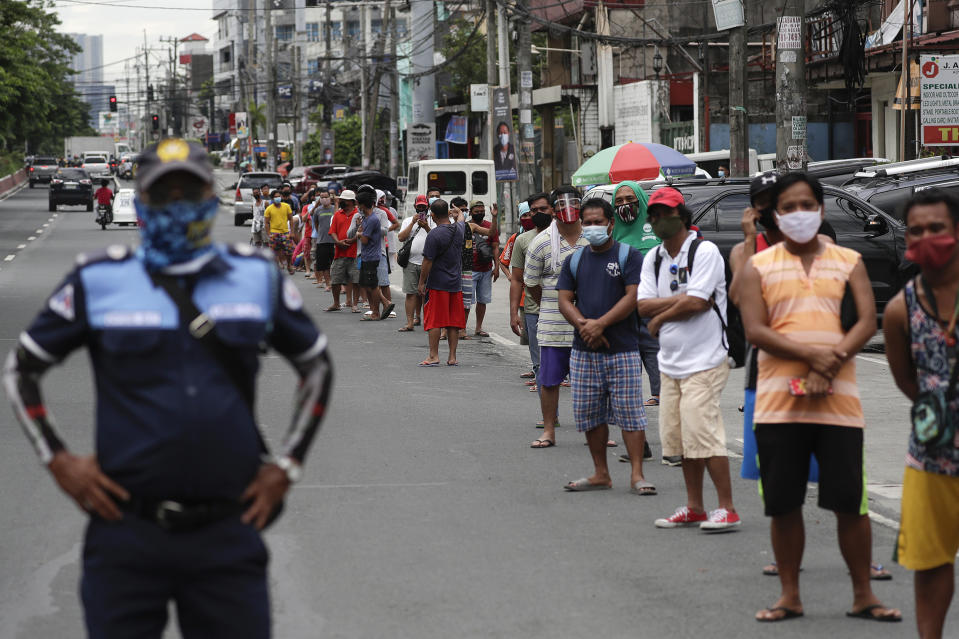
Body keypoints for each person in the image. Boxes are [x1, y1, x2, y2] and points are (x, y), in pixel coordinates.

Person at [2, 138, 333, 638]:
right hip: (124, 534)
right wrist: (58, 460)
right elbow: (21, 368)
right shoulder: (97, 281)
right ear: (142, 200)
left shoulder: (256, 279)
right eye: (164, 194)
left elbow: (317, 366)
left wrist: (287, 466)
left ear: (210, 198)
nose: (177, 205)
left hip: (228, 532)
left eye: (189, 192)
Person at [735, 172, 900, 623]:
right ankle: (790, 595)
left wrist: (836, 357)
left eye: (807, 204)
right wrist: (814, 355)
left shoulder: (849, 260)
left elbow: (867, 320)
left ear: (821, 210)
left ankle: (864, 593)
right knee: (785, 503)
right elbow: (755, 329)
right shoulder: (758, 267)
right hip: (777, 404)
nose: (798, 213)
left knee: (850, 502)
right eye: (788, 207)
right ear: (776, 215)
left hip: (839, 404)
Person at [636, 187, 741, 532]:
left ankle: (726, 508)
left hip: (707, 359)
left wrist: (661, 316)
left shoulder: (704, 251)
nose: (659, 220)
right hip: (671, 362)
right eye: (653, 214)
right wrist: (682, 301)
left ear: (682, 215)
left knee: (704, 432)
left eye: (666, 212)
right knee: (680, 440)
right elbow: (644, 304)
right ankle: (695, 506)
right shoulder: (653, 258)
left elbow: (698, 302)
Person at [883, 189, 959, 638]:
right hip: (932, 459)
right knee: (931, 564)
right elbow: (906, 381)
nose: (927, 237)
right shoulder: (899, 311)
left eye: (937, 229)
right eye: (917, 230)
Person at [557, 198, 653, 494]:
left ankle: (637, 475)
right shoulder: (575, 259)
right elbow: (563, 299)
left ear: (611, 224)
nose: (593, 227)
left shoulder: (629, 255)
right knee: (589, 413)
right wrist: (585, 325)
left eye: (598, 222)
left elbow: (632, 296)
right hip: (584, 351)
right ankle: (601, 473)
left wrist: (601, 324)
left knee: (630, 413)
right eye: (588, 222)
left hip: (623, 349)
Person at [523, 186, 588, 448]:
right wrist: (551, 305)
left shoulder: (594, 237)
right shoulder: (540, 243)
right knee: (549, 380)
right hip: (552, 323)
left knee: (591, 381)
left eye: (573, 203)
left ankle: (595, 431)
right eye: (561, 204)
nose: (567, 209)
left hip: (589, 323)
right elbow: (531, 282)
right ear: (553, 210)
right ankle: (549, 429)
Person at [612, 180, 662, 411]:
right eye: (619, 201)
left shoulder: (657, 229)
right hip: (623, 304)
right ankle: (629, 395)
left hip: (654, 303)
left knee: (652, 349)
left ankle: (659, 392)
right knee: (627, 352)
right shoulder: (612, 234)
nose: (625, 204)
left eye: (630, 199)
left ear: (641, 200)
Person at [418, 198, 466, 366]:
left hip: (437, 283)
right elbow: (461, 219)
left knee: (435, 321)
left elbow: (427, 262)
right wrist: (457, 212)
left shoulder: (434, 234)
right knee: (453, 322)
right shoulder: (460, 229)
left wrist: (421, 282)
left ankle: (433, 355)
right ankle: (452, 357)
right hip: (455, 284)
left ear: (432, 215)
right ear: (447, 213)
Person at [510, 195, 551, 391]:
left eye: (543, 209)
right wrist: (513, 314)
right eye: (534, 210)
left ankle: (560, 376)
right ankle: (540, 377)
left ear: (552, 209)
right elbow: (517, 280)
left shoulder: (562, 235)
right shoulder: (523, 240)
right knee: (537, 349)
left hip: (563, 307)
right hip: (533, 308)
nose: (538, 214)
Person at [397, 194, 435, 332]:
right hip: (411, 262)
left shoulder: (433, 221)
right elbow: (401, 238)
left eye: (423, 207)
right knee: (410, 293)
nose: (421, 210)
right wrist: (413, 223)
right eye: (418, 207)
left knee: (428, 294)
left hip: (429, 262)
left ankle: (428, 322)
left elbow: (437, 239)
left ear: (428, 207)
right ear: (414, 207)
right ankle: (410, 322)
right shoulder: (408, 221)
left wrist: (426, 227)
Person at [356, 190, 393, 321]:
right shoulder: (365, 219)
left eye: (358, 204)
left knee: (372, 285)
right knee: (368, 284)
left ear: (362, 204)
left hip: (372, 256)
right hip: (367, 255)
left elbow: (365, 239)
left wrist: (359, 234)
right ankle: (382, 305)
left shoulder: (372, 220)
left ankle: (378, 310)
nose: (357, 207)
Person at [466, 200, 499, 337]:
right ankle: (462, 328)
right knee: (466, 302)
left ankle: (478, 328)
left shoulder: (490, 226)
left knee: (482, 300)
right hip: (470, 269)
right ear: (470, 212)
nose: (480, 213)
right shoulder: (466, 226)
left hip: (486, 270)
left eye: (482, 211)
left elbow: (495, 247)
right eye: (477, 211)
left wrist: (497, 267)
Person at [327, 190, 360, 312]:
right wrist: (338, 242)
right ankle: (336, 303)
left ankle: (355, 304)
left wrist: (352, 240)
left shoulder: (358, 214)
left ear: (352, 202)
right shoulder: (337, 214)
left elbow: (362, 230)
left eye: (344, 200)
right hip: (339, 252)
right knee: (335, 279)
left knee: (356, 280)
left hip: (354, 252)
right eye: (342, 200)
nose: (342, 202)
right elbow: (332, 231)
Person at [264, 189, 295, 274]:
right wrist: (269, 234)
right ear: (272, 198)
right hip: (274, 233)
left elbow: (291, 219)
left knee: (289, 251)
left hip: (285, 232)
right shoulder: (269, 209)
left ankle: (289, 265)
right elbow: (266, 223)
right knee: (274, 252)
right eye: (275, 197)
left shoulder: (286, 206)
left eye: (279, 196)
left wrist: (292, 232)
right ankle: (276, 268)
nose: (277, 198)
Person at [312, 190, 336, 290]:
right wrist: (320, 233)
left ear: (330, 198)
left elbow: (336, 219)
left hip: (334, 241)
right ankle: (328, 284)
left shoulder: (334, 208)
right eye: (322, 197)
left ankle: (337, 284)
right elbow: (316, 223)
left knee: (335, 264)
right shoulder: (318, 210)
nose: (324, 199)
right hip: (322, 241)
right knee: (324, 265)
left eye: (326, 197)